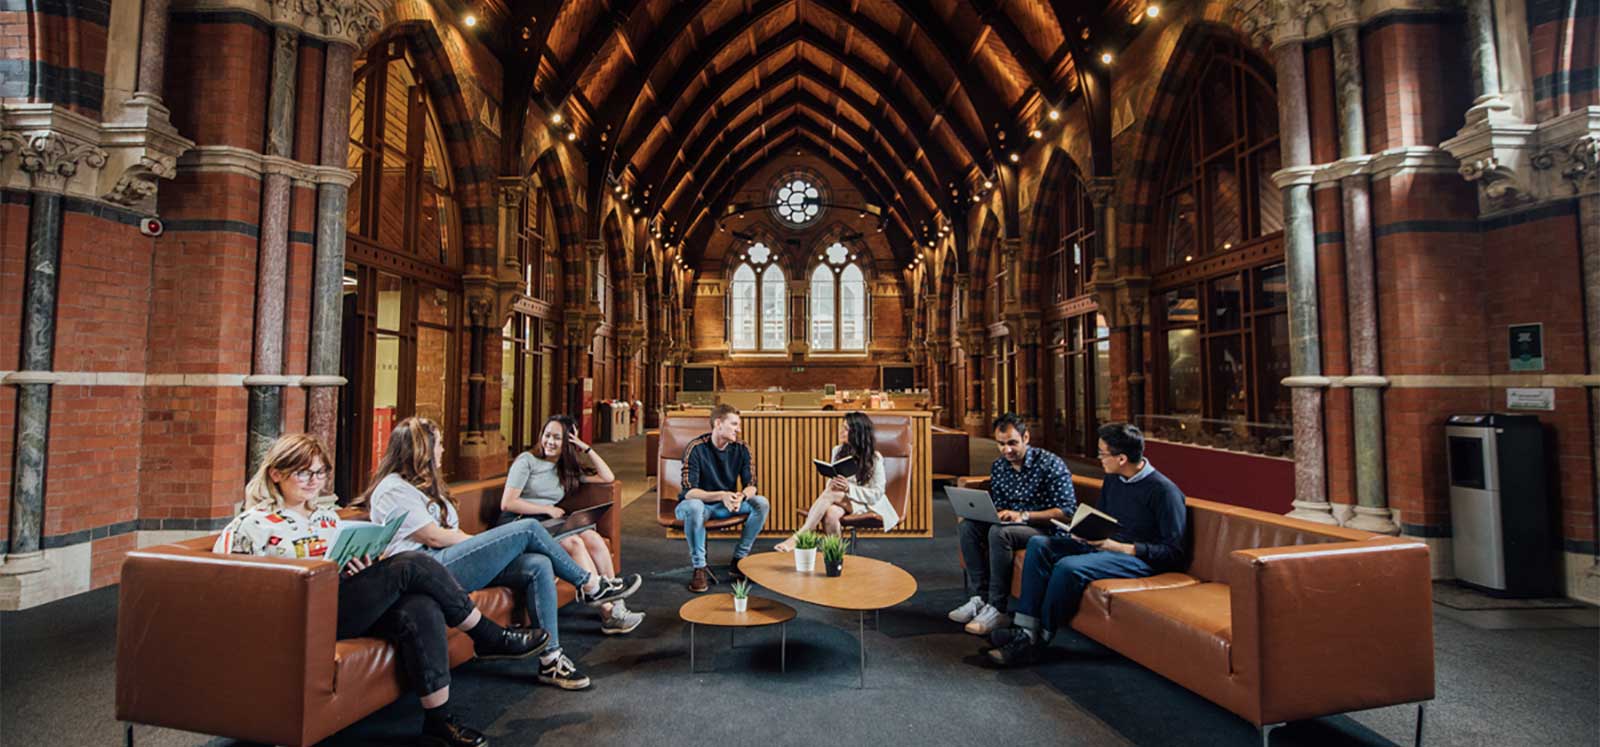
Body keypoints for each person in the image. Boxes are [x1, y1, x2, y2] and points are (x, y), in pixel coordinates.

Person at [215, 434, 546, 747]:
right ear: (276, 473)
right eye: (304, 472)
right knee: (411, 563)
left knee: (420, 607)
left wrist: (361, 566)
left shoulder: (326, 517)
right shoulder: (253, 522)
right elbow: (225, 577)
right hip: (300, 614)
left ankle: (438, 721)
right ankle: (487, 635)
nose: (314, 480)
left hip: (343, 600)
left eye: (320, 472)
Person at [358, 417, 640, 691]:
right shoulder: (392, 489)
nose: (443, 449)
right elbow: (433, 535)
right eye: (439, 444)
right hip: (430, 569)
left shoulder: (425, 484)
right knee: (528, 528)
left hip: (452, 559)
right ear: (420, 450)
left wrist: (479, 545)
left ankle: (551, 660)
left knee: (538, 564)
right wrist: (481, 542)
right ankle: (590, 585)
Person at [986, 422, 1187, 667]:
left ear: (1121, 458)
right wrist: (1081, 531)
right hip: (1103, 545)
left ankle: (1038, 640)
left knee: (1068, 567)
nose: (1099, 458)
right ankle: (1026, 629)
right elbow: (1102, 518)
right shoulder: (1114, 479)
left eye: (1102, 454)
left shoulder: (1164, 492)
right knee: (1040, 544)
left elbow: (1173, 552)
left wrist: (1118, 547)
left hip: (1137, 558)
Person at [499, 415, 645, 635]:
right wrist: (546, 509)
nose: (550, 441)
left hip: (548, 523)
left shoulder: (565, 469)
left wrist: (586, 448)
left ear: (569, 442)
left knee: (593, 538)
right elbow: (508, 503)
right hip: (520, 523)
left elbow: (607, 477)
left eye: (557, 438)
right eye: (547, 435)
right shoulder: (526, 461)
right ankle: (607, 613)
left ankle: (618, 606)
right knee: (575, 542)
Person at [949, 412, 1077, 636]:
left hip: (1045, 528)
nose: (1006, 450)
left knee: (999, 533)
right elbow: (999, 505)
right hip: (1011, 525)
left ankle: (998, 608)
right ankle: (980, 598)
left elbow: (1067, 512)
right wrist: (991, 513)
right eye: (1000, 444)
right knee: (968, 527)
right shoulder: (999, 467)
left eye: (1012, 443)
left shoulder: (1050, 464)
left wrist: (1024, 515)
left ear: (1026, 438)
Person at [677, 403, 771, 593]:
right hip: (698, 506)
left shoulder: (742, 448)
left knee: (761, 503)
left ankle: (738, 561)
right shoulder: (695, 448)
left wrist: (741, 496)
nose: (739, 429)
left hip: (725, 504)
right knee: (694, 506)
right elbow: (688, 491)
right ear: (718, 423)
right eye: (735, 424)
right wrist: (722, 495)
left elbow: (752, 485)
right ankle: (699, 567)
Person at [775, 411, 898, 551]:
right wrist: (834, 482)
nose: (841, 431)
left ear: (857, 432)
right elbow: (832, 484)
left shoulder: (875, 458)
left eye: (845, 429)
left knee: (833, 493)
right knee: (831, 514)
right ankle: (836, 558)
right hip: (842, 500)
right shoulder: (838, 451)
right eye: (842, 427)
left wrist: (848, 489)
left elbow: (877, 493)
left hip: (868, 504)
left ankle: (799, 536)